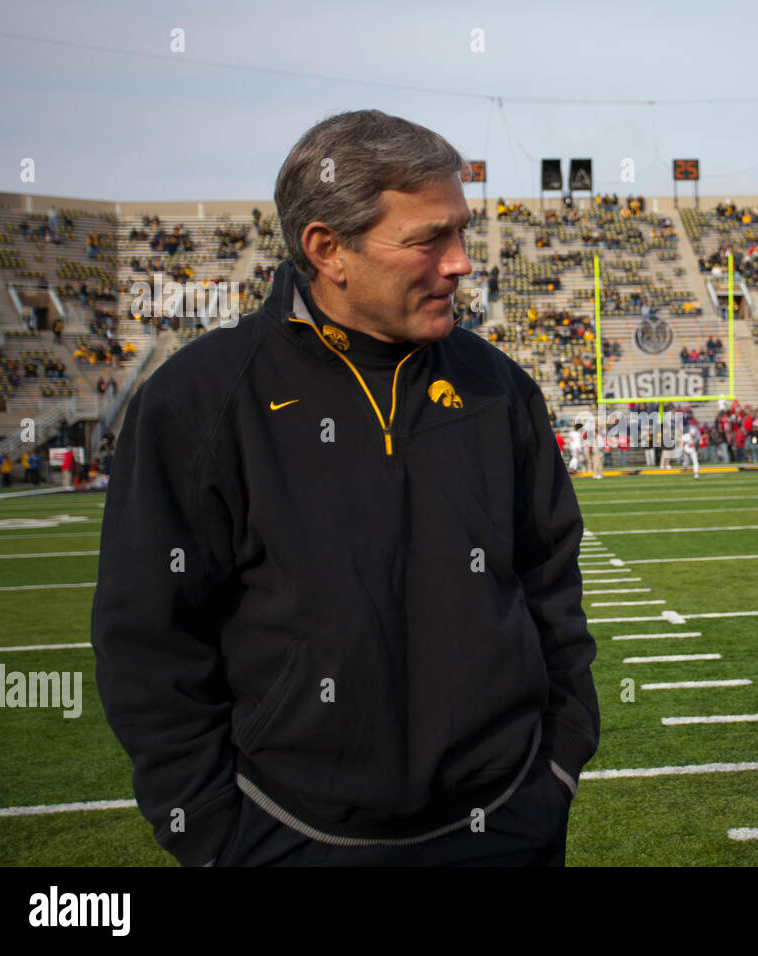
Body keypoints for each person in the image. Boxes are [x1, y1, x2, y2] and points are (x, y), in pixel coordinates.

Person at [92, 110, 599, 867]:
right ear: (328, 249)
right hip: (289, 836)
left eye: (460, 232)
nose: (461, 263)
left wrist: (553, 770)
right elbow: (149, 638)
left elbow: (551, 591)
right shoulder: (200, 401)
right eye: (430, 239)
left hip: (507, 826)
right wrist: (213, 829)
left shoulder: (499, 388)